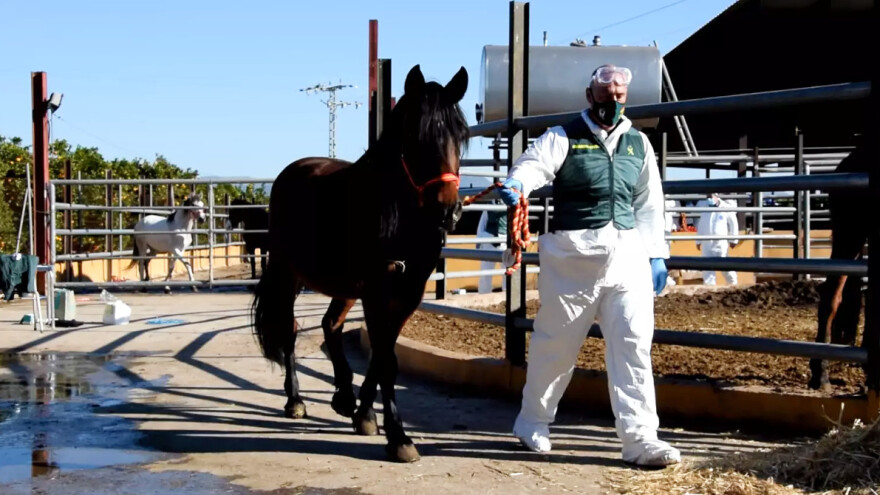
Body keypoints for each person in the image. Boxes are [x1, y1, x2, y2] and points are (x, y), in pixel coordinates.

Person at [496, 64, 679, 467]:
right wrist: (517, 184)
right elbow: (533, 165)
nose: (612, 102)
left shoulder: (638, 144)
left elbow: (649, 202)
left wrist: (656, 253)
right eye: (604, 95)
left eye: (619, 96)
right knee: (556, 344)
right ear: (589, 94)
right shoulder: (562, 137)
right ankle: (533, 420)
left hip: (627, 258)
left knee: (633, 344)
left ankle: (640, 438)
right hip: (573, 258)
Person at [695, 193, 739, 285]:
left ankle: (733, 284)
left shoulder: (726, 208)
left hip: (720, 243)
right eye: (708, 197)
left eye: (711, 197)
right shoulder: (704, 207)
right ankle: (709, 288)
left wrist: (733, 240)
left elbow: (733, 223)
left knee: (725, 267)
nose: (709, 198)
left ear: (716, 196)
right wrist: (698, 241)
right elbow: (701, 224)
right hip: (706, 243)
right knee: (707, 268)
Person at [476, 205, 508, 294]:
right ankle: (483, 294)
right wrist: (479, 241)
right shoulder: (488, 206)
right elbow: (482, 224)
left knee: (507, 270)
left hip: (505, 240)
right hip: (489, 240)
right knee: (486, 271)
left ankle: (507, 293)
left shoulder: (511, 205)